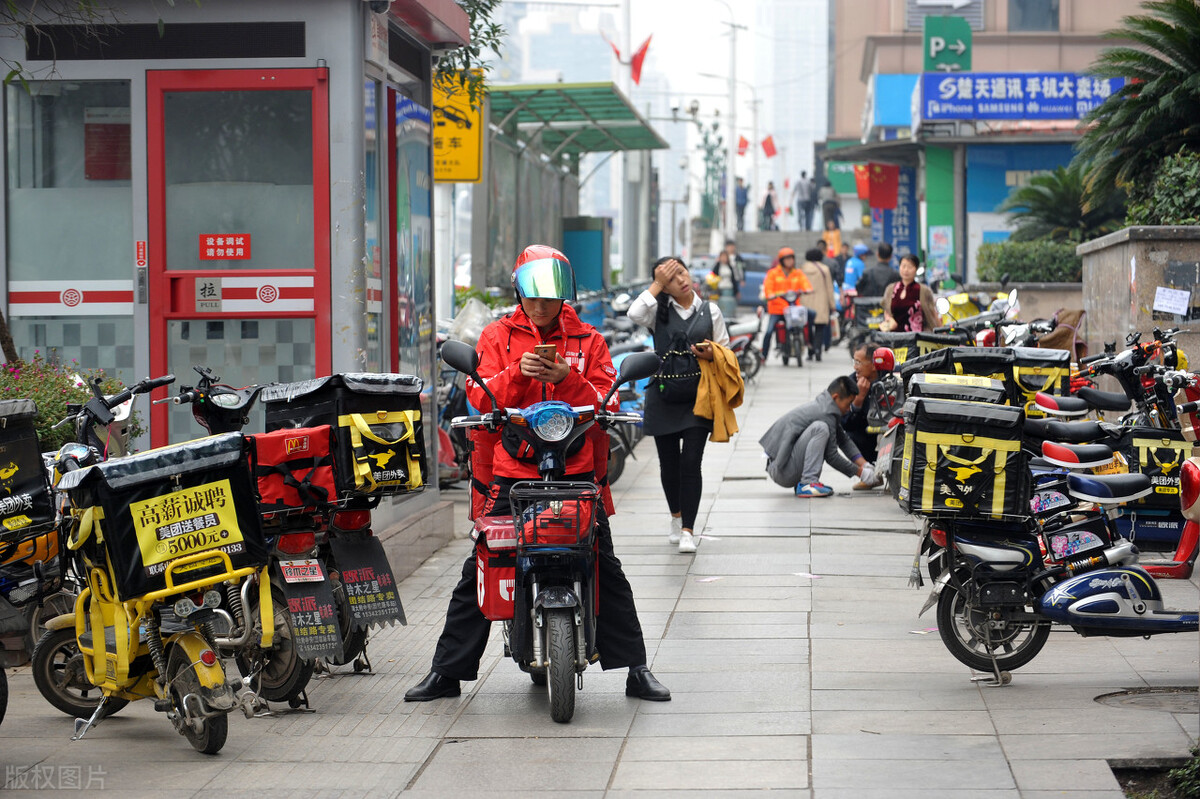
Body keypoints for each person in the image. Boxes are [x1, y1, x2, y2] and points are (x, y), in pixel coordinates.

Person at [405, 245, 670, 704]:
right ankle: (446, 672)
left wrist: (568, 376)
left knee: (603, 560)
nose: (542, 306)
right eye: (533, 296)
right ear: (519, 291)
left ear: (564, 296)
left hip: (577, 469)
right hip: (512, 470)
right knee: (483, 566)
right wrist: (516, 374)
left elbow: (608, 399)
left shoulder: (589, 340)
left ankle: (636, 669)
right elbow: (480, 397)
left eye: (550, 297)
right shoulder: (496, 337)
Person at [627, 257, 730, 554]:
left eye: (681, 273)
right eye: (671, 280)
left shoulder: (711, 310)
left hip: (699, 398)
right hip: (662, 395)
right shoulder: (656, 312)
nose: (681, 281)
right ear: (665, 287)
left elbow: (725, 350)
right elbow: (633, 313)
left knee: (691, 463)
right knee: (668, 465)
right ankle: (675, 517)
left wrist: (711, 352)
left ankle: (688, 530)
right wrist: (657, 285)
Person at [759, 376, 877, 498]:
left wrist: (864, 464)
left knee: (821, 428)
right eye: (848, 404)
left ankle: (807, 482)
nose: (849, 409)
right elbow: (832, 457)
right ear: (836, 397)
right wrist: (861, 473)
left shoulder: (827, 407)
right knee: (820, 428)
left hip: (782, 468)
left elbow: (844, 440)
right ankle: (808, 482)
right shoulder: (825, 414)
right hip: (782, 471)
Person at [761, 247, 812, 361]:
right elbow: (768, 289)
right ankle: (763, 355)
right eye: (787, 259)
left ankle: (810, 346)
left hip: (793, 309)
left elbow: (806, 284)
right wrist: (771, 295)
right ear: (782, 260)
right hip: (777, 309)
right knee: (769, 331)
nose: (790, 262)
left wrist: (807, 290)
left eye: (791, 259)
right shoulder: (773, 273)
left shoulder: (797, 273)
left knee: (809, 318)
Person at [842, 342, 881, 464]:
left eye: (859, 362)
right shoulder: (851, 383)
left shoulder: (889, 379)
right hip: (867, 437)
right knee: (848, 437)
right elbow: (845, 424)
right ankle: (867, 471)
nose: (855, 367)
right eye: (854, 362)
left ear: (874, 365)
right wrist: (857, 402)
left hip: (888, 434)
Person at [882, 253, 939, 333]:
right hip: (893, 337)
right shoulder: (890, 289)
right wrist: (888, 319)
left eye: (910, 267)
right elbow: (887, 310)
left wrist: (941, 333)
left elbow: (932, 313)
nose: (906, 270)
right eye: (903, 266)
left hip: (917, 338)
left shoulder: (924, 290)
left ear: (916, 269)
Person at [798, 248, 836, 362]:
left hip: (805, 301)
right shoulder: (824, 269)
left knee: (807, 327)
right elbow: (829, 288)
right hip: (821, 301)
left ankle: (810, 351)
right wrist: (832, 304)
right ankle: (818, 350)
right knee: (819, 328)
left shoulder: (802, 269)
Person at [708, 249, 741, 318]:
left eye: (725, 257)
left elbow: (734, 280)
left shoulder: (730, 266)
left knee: (728, 304)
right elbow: (712, 275)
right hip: (719, 288)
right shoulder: (718, 266)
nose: (724, 258)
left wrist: (737, 291)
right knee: (720, 304)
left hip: (729, 288)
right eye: (722, 257)